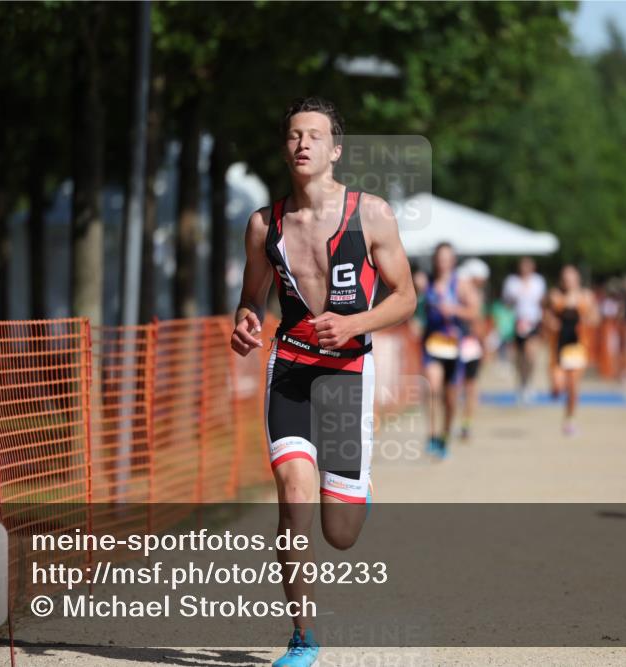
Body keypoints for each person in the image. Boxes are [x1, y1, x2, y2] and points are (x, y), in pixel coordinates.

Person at [230, 97, 415, 666]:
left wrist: (356, 322)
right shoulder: (265, 225)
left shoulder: (372, 214)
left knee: (340, 533)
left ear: (335, 150)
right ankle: (303, 636)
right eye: (293, 135)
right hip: (289, 366)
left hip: (347, 374)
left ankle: (357, 491)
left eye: (314, 135)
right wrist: (244, 324)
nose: (302, 143)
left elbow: (406, 297)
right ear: (285, 148)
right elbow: (249, 302)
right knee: (292, 496)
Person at [421, 243, 479, 458]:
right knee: (432, 387)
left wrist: (453, 309)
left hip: (454, 347)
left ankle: (445, 435)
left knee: (451, 398)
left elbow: (474, 311)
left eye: (447, 258)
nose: (442, 262)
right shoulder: (425, 281)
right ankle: (432, 435)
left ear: (453, 261)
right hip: (432, 344)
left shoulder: (461, 284)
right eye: (439, 258)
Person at [543, 265, 598, 435]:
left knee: (573, 385)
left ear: (577, 279)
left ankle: (570, 419)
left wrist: (586, 319)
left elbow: (595, 318)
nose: (568, 282)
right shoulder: (555, 296)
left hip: (576, 345)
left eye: (571, 278)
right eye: (565, 278)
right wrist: (551, 322)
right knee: (558, 386)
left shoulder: (586, 297)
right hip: (559, 344)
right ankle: (557, 389)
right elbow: (545, 314)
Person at [503, 257, 546, 403]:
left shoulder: (538, 282)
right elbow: (506, 302)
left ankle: (528, 383)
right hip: (516, 322)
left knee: (531, 355)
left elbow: (542, 301)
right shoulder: (512, 282)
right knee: (519, 356)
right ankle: (521, 383)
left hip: (533, 322)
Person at [456, 258, 491, 440]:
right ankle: (465, 424)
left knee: (462, 386)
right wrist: (484, 344)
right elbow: (477, 319)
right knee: (470, 387)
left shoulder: (455, 284)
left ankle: (462, 424)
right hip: (468, 343)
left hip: (460, 342)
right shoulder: (470, 290)